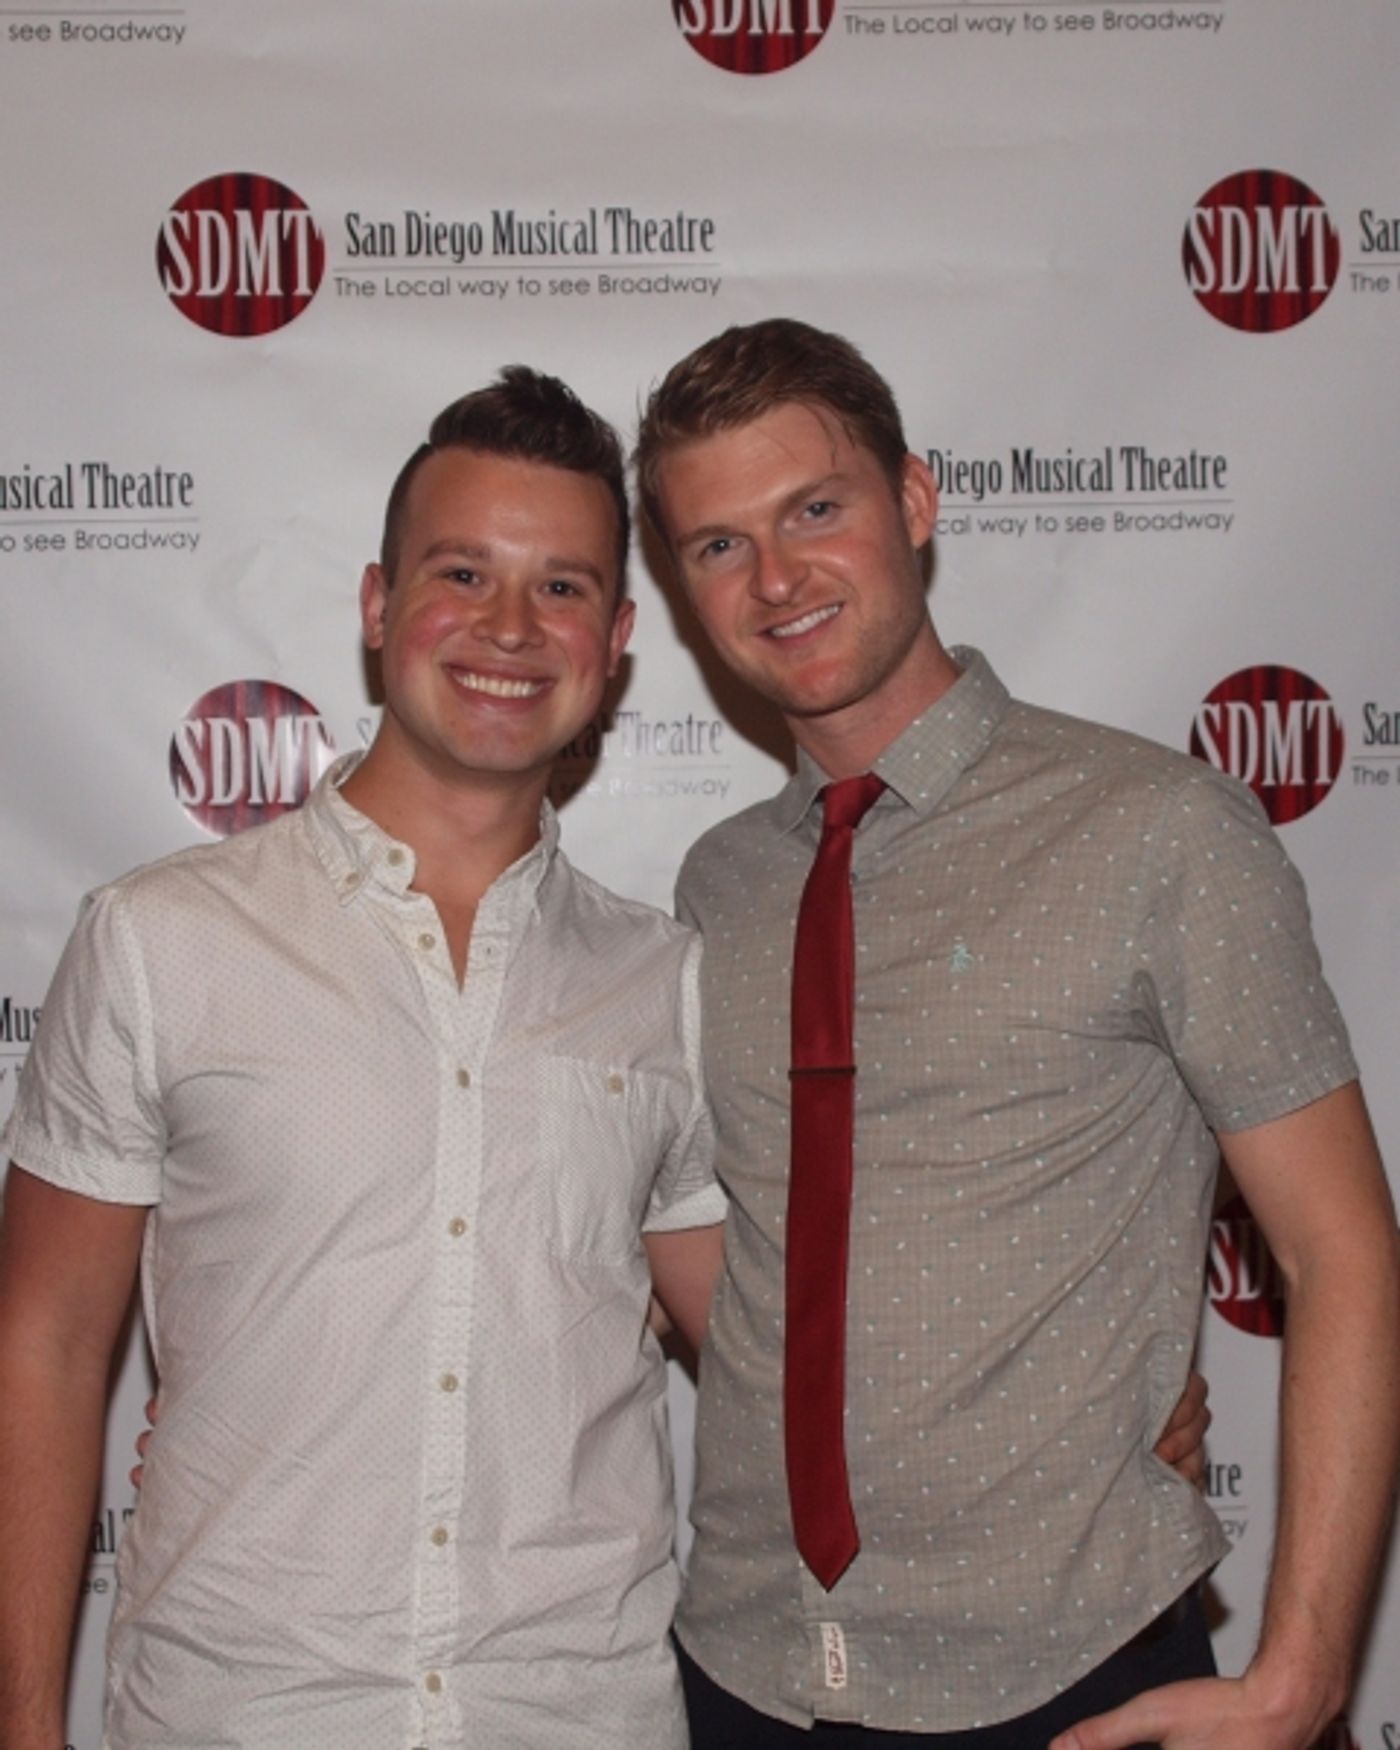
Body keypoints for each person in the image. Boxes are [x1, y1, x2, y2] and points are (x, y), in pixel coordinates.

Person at [632, 318, 1400, 1750]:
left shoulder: (1159, 830)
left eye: (815, 509)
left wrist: (1301, 1673)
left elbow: (1340, 1248)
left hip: (1069, 1674)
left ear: (914, 501)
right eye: (719, 544)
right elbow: (746, 1273)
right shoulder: (718, 885)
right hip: (747, 1668)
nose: (777, 576)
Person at [0, 368, 728, 1750]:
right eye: (463, 572)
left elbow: (763, 1354)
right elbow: (41, 1345)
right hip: (239, 1712)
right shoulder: (159, 940)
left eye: (562, 586)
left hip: (575, 1715)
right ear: (379, 604)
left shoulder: (667, 982)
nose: (511, 626)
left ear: (618, 640)